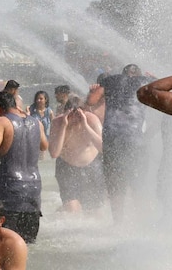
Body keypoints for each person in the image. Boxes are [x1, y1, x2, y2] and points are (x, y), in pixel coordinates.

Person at [0, 92, 47, 243]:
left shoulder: (2, 121)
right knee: (28, 244)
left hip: (10, 189)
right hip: (34, 190)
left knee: (7, 244)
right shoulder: (36, 122)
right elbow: (44, 145)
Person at [91, 64, 151, 222]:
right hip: (135, 139)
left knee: (115, 183)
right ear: (137, 74)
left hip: (112, 139)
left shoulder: (110, 80)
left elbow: (91, 100)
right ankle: (142, 221)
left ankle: (118, 222)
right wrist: (154, 77)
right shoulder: (145, 81)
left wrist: (95, 90)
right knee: (137, 181)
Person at [48, 97, 105, 212]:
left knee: (93, 211)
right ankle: (59, 216)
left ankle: (59, 213)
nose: (74, 120)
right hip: (66, 167)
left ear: (84, 112)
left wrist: (85, 125)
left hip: (91, 167)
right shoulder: (58, 123)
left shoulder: (92, 120)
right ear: (65, 113)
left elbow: (103, 148)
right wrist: (64, 126)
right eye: (71, 115)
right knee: (72, 209)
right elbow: (54, 153)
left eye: (78, 115)